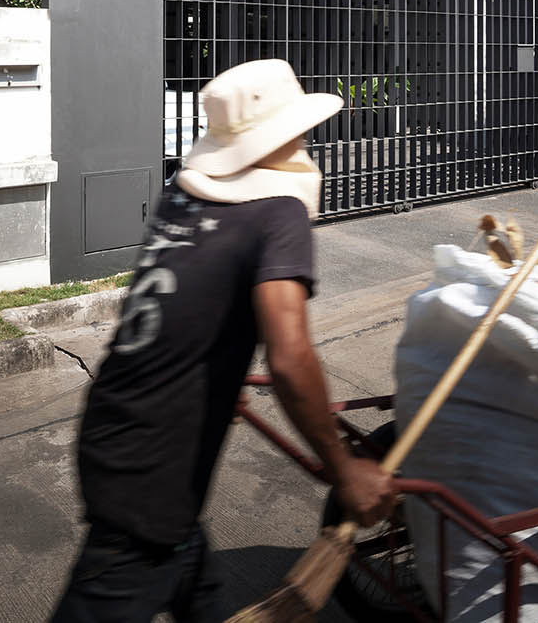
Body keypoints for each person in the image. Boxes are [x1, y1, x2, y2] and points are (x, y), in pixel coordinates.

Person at [50, 58, 397, 623]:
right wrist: (344, 468)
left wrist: (217, 376)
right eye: (300, 128)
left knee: (195, 579)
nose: (307, 138)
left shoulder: (183, 195)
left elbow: (178, 299)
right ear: (283, 135)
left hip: (116, 427)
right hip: (152, 468)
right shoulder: (277, 212)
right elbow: (289, 356)